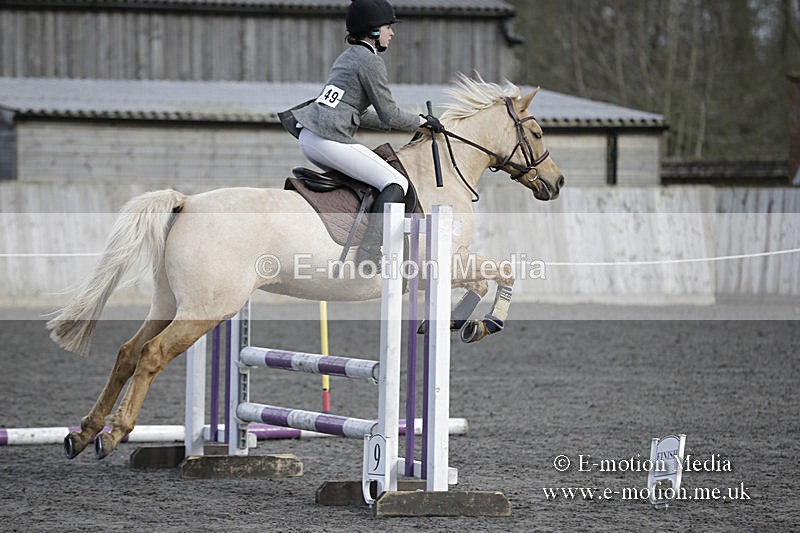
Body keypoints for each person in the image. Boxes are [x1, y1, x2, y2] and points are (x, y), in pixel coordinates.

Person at [279, 0, 443, 268]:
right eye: (388, 27)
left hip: (311, 137)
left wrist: (415, 123)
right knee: (396, 183)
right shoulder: (370, 61)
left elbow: (359, 114)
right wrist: (421, 121)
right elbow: (390, 114)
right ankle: (369, 251)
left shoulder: (348, 56)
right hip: (327, 139)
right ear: (374, 31)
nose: (392, 33)